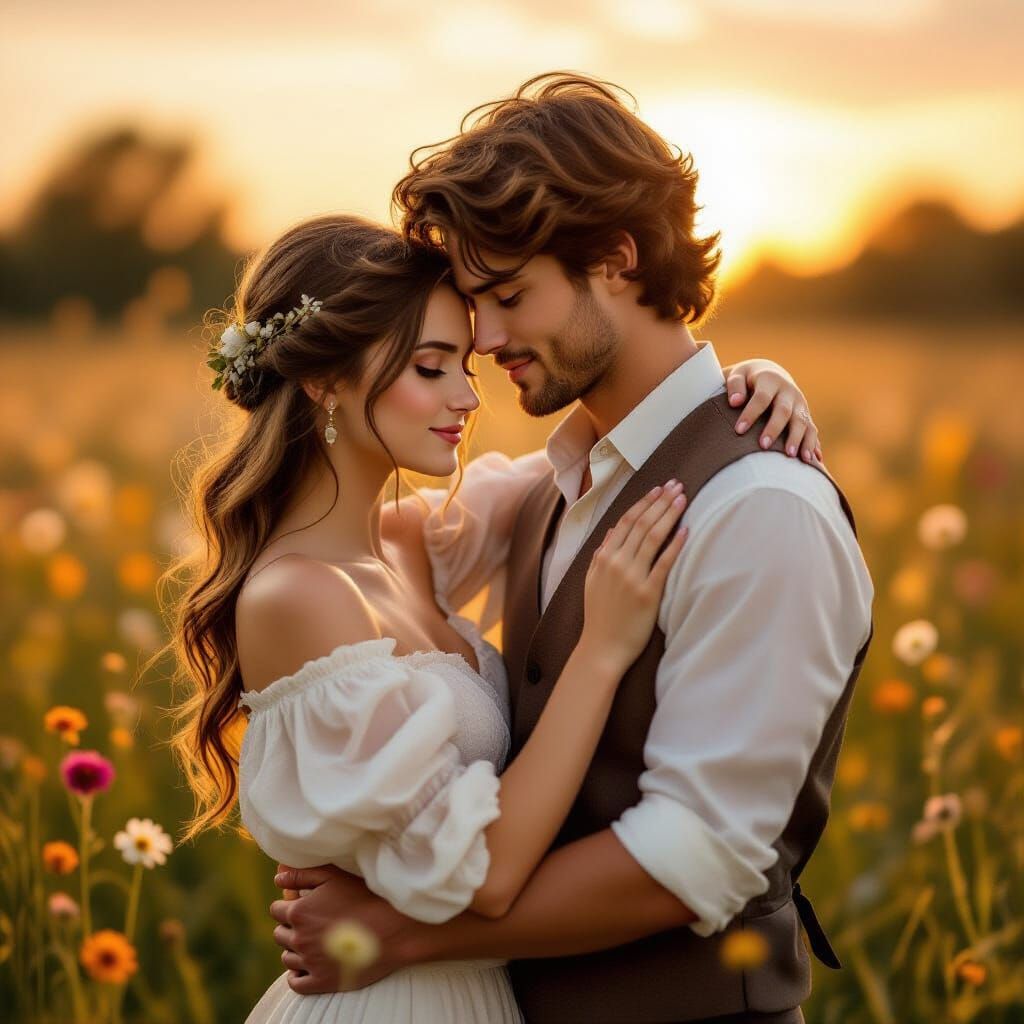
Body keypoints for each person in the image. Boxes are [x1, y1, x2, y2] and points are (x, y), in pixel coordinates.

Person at [267, 74, 874, 1024]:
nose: (488, 337)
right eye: (476, 304)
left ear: (618, 259)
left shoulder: (764, 509)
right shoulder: (551, 486)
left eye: (509, 294)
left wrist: (408, 933)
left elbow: (699, 854)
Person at [165, 207, 822, 1024]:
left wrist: (745, 384)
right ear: (325, 379)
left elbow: (602, 457)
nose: (468, 395)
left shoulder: (413, 543)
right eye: (431, 368)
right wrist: (601, 650)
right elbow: (485, 871)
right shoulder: (297, 596)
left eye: (460, 364)